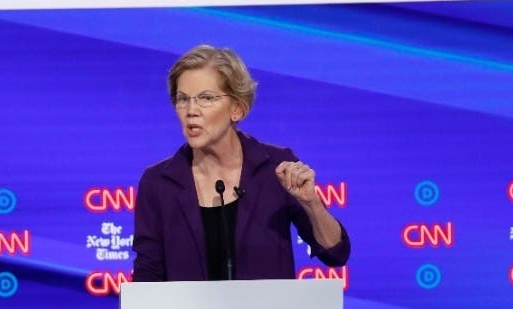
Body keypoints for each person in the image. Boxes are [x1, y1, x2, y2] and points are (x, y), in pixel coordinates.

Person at [132, 44, 350, 281]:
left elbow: (336, 254)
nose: (191, 110)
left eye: (206, 98)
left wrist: (311, 203)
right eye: (183, 99)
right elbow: (147, 277)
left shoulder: (275, 168)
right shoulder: (159, 183)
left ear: (237, 109)